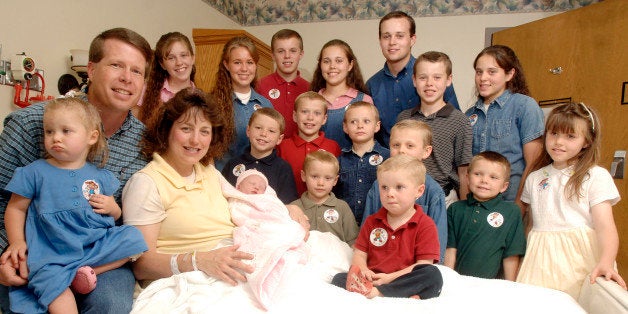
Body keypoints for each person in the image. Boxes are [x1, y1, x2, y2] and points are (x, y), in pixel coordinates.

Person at [0, 27, 152, 314]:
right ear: (91, 70)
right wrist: (4, 258)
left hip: (96, 253)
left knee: (112, 304)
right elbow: (5, 205)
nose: (126, 79)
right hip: (38, 252)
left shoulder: (144, 143)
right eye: (116, 65)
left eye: (137, 71)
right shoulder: (32, 123)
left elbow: (130, 216)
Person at [516, 102, 627, 298]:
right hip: (540, 259)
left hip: (578, 260)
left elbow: (605, 227)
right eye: (553, 133)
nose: (558, 142)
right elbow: (531, 225)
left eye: (570, 136)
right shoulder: (534, 178)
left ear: (586, 141)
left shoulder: (595, 176)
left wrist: (607, 261)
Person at [331, 154, 442, 299]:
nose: (390, 193)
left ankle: (380, 293)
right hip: (373, 278)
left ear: (419, 191)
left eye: (399, 187)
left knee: (432, 275)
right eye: (384, 187)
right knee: (338, 278)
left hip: (403, 278)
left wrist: (389, 278)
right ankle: (396, 293)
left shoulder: (425, 224)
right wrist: (363, 270)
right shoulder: (372, 221)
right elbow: (359, 254)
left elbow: (423, 264)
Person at [366, 11, 459, 148]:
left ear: (412, 39)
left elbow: (455, 123)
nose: (392, 42)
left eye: (399, 36)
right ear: (380, 41)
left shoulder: (433, 79)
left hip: (434, 164)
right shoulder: (372, 85)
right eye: (386, 36)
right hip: (390, 164)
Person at [465, 45, 544, 205]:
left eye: (491, 72)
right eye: (479, 72)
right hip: (476, 205)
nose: (483, 78)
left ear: (509, 74)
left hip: (510, 201)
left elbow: (534, 164)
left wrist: (520, 206)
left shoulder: (524, 106)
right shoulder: (469, 115)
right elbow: (466, 166)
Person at [361, 120, 447, 260]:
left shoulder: (433, 192)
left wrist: (432, 271)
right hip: (379, 261)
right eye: (396, 145)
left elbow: (438, 241)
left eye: (410, 146)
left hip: (415, 266)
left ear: (426, 151)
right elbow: (366, 229)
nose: (401, 150)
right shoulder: (378, 186)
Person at [397, 51, 472, 207]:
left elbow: (464, 172)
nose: (429, 83)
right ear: (414, 80)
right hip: (406, 196)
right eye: (423, 77)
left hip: (443, 198)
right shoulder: (404, 118)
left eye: (437, 77)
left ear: (448, 80)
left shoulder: (459, 121)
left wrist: (465, 210)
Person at [224, 169, 307, 310]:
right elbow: (239, 215)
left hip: (274, 225)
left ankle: (285, 252)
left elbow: (279, 212)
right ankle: (271, 266)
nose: (257, 187)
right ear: (238, 187)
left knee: (288, 231)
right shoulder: (237, 200)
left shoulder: (269, 199)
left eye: (262, 186)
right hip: (256, 227)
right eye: (252, 183)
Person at [444, 151, 525, 280]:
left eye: (493, 177)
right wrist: (447, 280)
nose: (484, 180)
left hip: (492, 287)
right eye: (477, 174)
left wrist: (511, 286)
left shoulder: (511, 212)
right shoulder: (455, 209)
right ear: (467, 178)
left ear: (504, 186)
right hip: (459, 283)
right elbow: (450, 249)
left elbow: (511, 254)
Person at [212, 36, 273, 171]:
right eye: (237, 62)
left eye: (250, 62)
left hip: (259, 183)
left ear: (256, 65)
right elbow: (207, 152)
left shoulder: (266, 105)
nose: (244, 68)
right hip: (224, 181)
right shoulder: (212, 104)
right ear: (226, 65)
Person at [222, 107, 298, 203]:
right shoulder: (233, 164)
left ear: (279, 139)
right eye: (258, 128)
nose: (263, 134)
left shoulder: (283, 168)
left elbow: (288, 205)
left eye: (271, 131)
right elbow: (221, 196)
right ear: (248, 131)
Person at [310, 39, 373, 149]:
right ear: (320, 65)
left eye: (339, 61)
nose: (332, 66)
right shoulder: (311, 101)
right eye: (326, 61)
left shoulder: (364, 100)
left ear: (350, 65)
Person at [334, 101, 389, 224]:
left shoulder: (388, 158)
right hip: (347, 225)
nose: (360, 126)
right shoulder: (339, 161)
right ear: (345, 127)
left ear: (377, 126)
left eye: (366, 121)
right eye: (353, 122)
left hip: (379, 223)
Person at [278, 91, 341, 195]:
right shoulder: (282, 146)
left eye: (317, 113)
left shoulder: (333, 147)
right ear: (294, 116)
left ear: (324, 119)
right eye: (304, 111)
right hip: (289, 206)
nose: (310, 118)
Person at [291, 150, 359, 245]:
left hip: (338, 258)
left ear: (335, 180)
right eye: (314, 176)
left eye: (327, 178)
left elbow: (354, 241)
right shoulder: (294, 208)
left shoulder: (342, 207)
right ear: (303, 176)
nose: (320, 183)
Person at [256, 29, 309, 139]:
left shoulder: (310, 89)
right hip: (267, 152)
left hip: (300, 153)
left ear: (301, 54)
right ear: (273, 55)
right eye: (281, 51)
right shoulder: (259, 86)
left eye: (293, 51)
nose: (287, 56)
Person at [137, 32, 196, 126]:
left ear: (193, 58)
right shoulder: (145, 91)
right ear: (162, 64)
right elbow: (131, 132)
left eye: (183, 55)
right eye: (171, 58)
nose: (179, 62)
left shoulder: (200, 98)